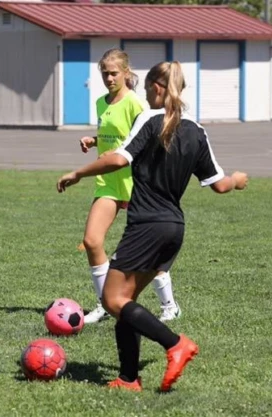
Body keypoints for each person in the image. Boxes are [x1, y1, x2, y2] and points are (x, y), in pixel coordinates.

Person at [57, 61, 248, 392]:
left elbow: (118, 158)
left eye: (147, 88)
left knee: (113, 299)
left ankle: (175, 344)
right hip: (174, 228)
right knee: (126, 303)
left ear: (158, 88)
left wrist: (77, 173)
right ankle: (129, 379)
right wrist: (237, 180)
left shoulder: (149, 119)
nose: (146, 94)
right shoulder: (197, 130)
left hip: (147, 225)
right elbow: (219, 184)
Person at [78, 48, 180, 325]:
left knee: (145, 251)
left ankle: (169, 305)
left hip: (137, 184)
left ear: (126, 73)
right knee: (92, 241)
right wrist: (95, 141)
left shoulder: (136, 103)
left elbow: (144, 136)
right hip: (109, 183)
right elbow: (117, 136)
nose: (109, 78)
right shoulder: (102, 102)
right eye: (104, 74)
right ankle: (104, 305)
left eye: (113, 73)